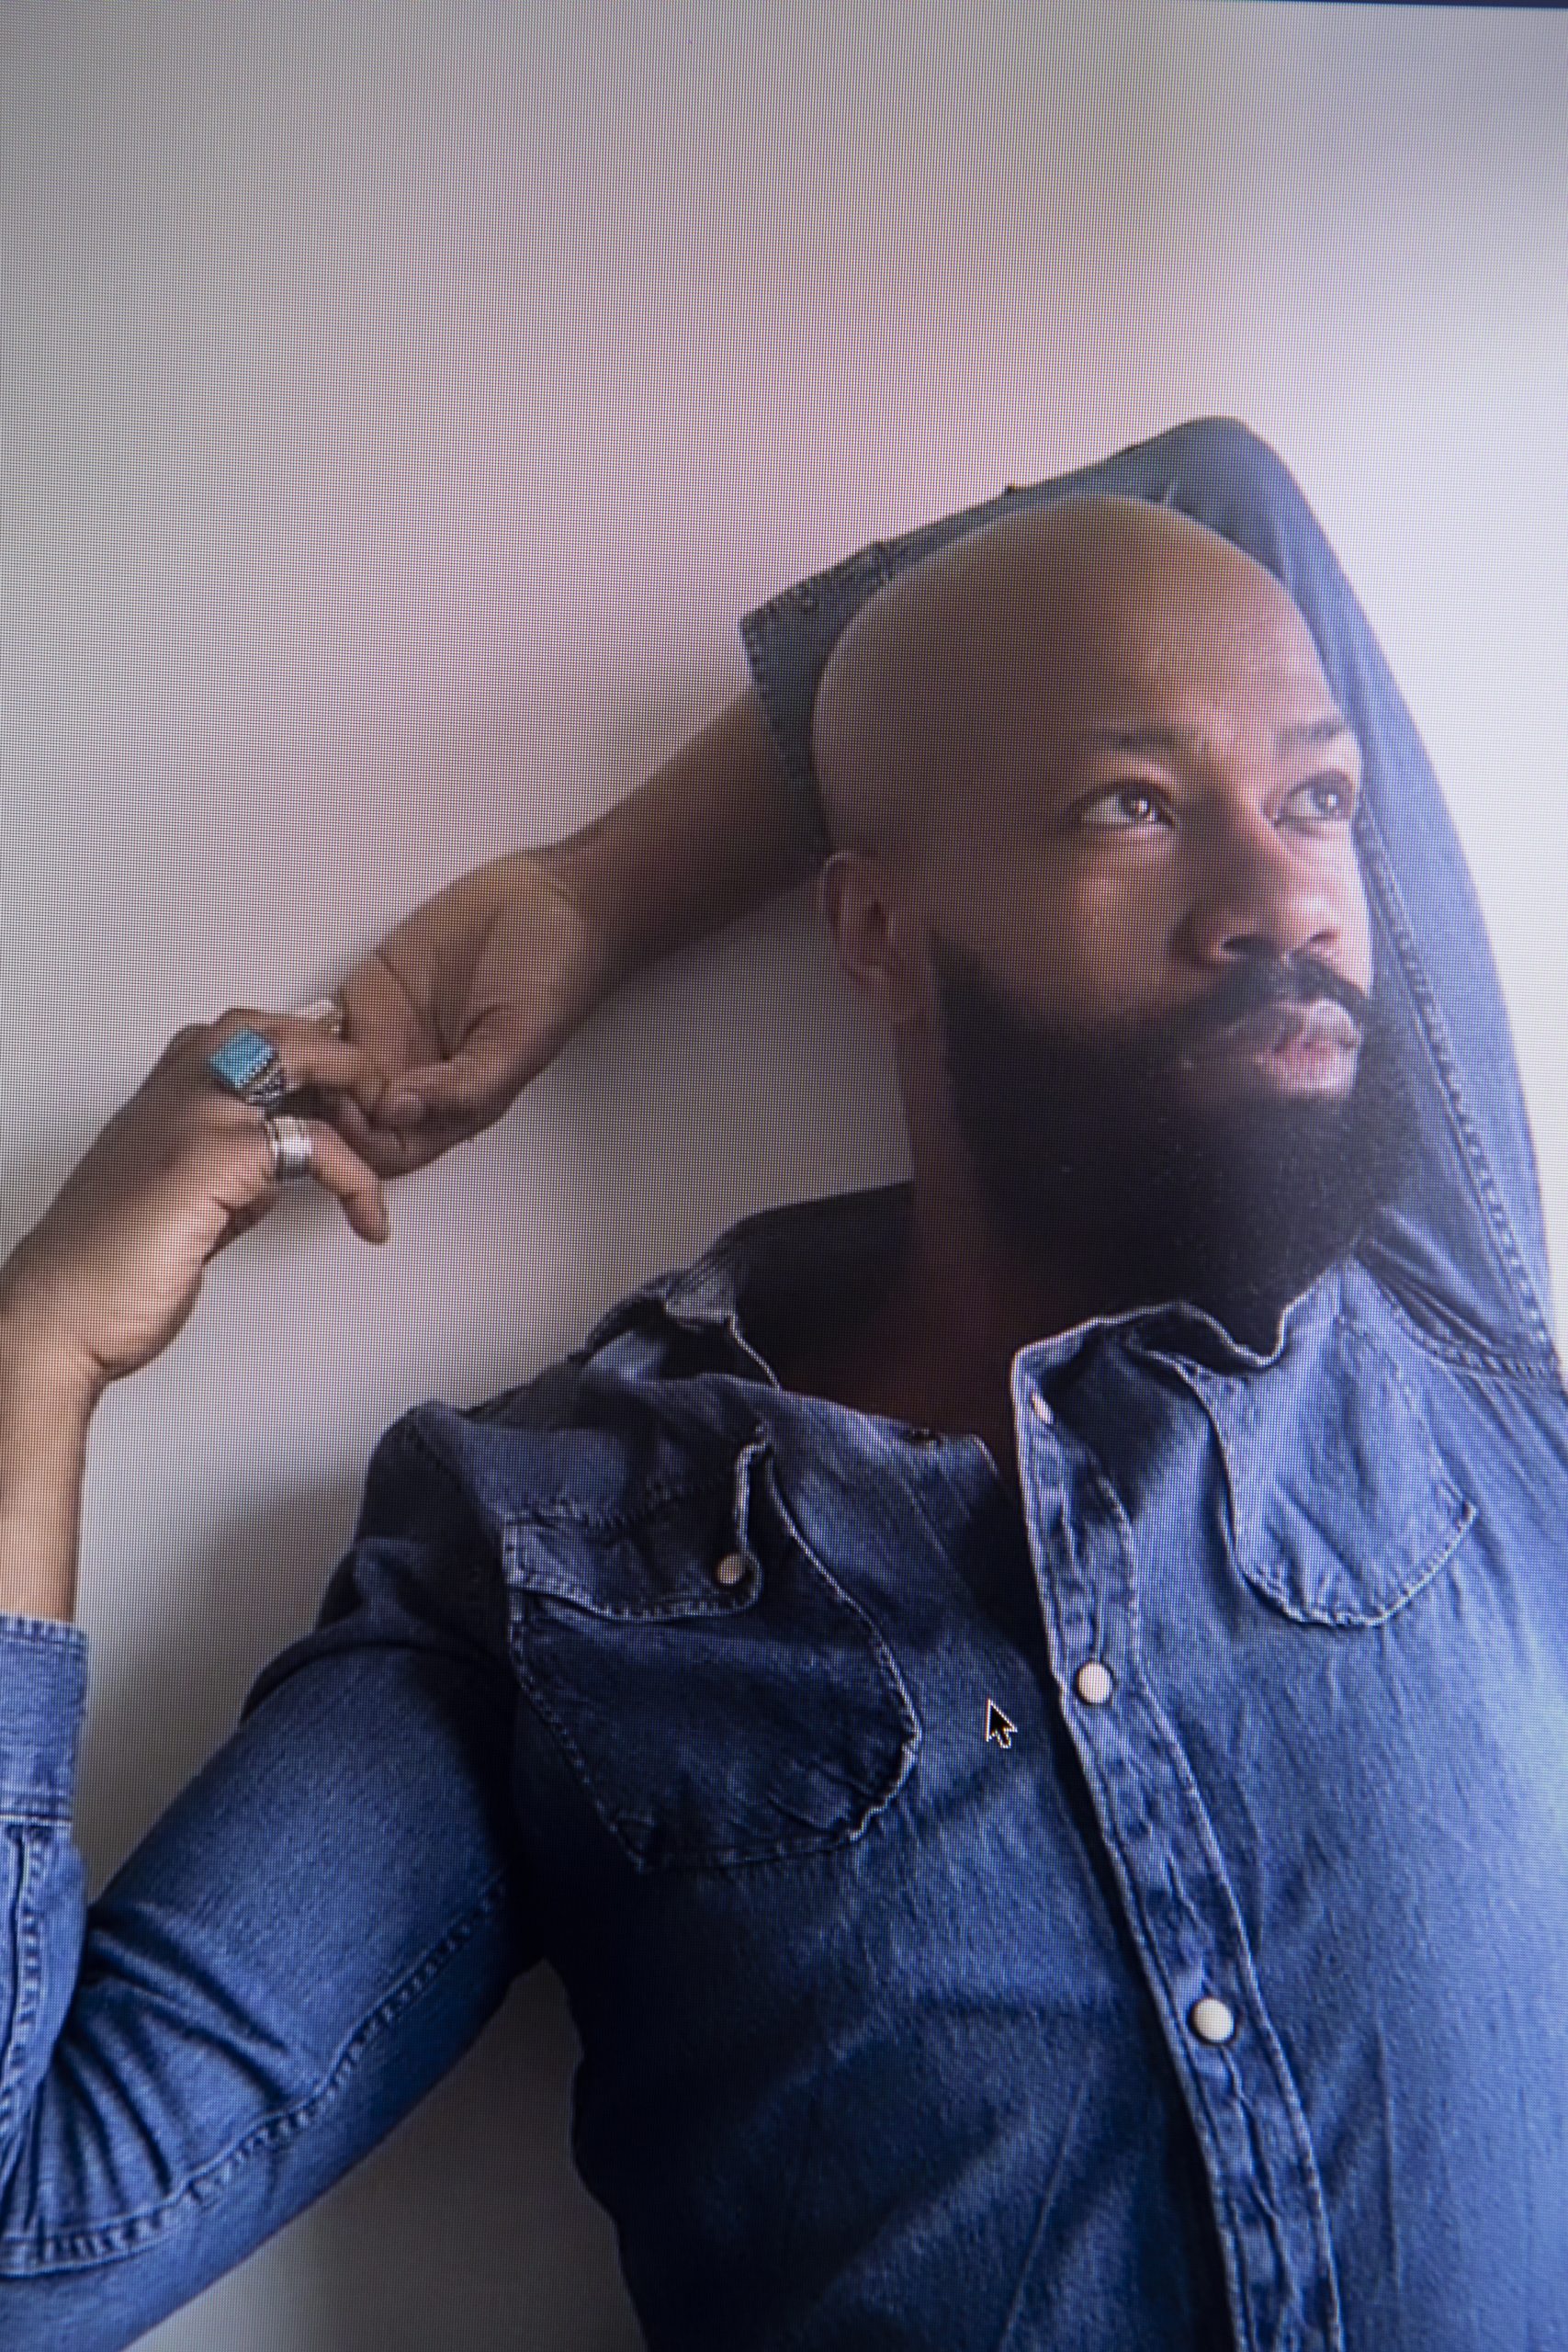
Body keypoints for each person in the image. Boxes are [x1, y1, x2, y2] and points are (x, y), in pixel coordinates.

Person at [1, 418, 1563, 2351]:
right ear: (873, 931)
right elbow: (30, 2233)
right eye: (1128, 808)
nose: (1284, 894)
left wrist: (585, 893)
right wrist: (35, 1354)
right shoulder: (547, 1553)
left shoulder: (1424, 1311)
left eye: (1319, 798)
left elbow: (1199, 499)